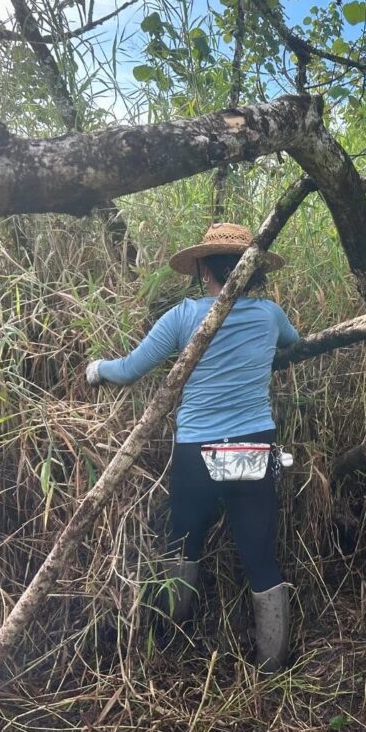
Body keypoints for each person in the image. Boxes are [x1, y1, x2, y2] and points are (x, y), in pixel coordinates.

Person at [85, 222, 299, 672]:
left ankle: (171, 643)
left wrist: (96, 368)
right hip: (253, 448)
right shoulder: (269, 315)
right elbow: (294, 344)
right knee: (260, 554)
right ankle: (272, 666)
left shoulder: (183, 317)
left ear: (204, 269)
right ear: (252, 270)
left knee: (183, 545)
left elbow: (129, 370)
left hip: (196, 453)